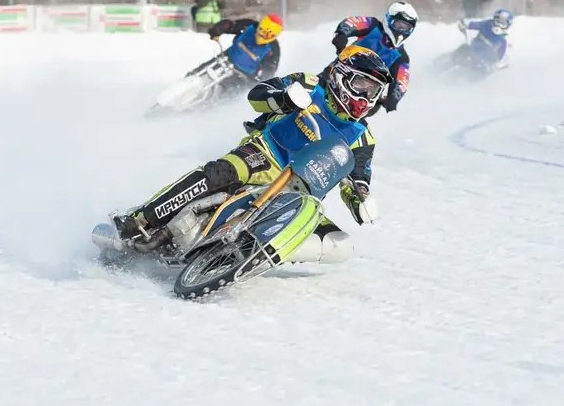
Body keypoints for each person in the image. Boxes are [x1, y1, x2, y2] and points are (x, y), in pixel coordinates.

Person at [113, 45, 392, 264]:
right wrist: (283, 99)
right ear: (342, 75)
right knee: (216, 175)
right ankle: (141, 219)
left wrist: (360, 199)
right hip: (265, 156)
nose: (366, 98)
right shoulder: (308, 84)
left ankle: (246, 256)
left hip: (303, 192)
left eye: (374, 91)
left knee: (339, 244)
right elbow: (258, 94)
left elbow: (358, 175)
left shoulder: (363, 136)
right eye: (361, 86)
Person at [327, 2, 418, 114]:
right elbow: (352, 22)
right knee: (315, 87)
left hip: (365, 95)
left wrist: (393, 99)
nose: (401, 31)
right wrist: (342, 34)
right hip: (339, 74)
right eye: (398, 25)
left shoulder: (401, 57)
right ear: (389, 20)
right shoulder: (373, 26)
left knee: (365, 111)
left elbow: (402, 81)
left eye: (406, 28)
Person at [207, 13, 283, 83]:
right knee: (201, 73)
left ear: (273, 36)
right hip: (225, 60)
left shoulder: (273, 49)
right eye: (260, 29)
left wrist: (261, 80)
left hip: (244, 77)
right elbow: (230, 25)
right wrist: (217, 30)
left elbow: (269, 70)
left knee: (226, 93)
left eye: (266, 34)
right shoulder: (249, 26)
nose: (261, 34)